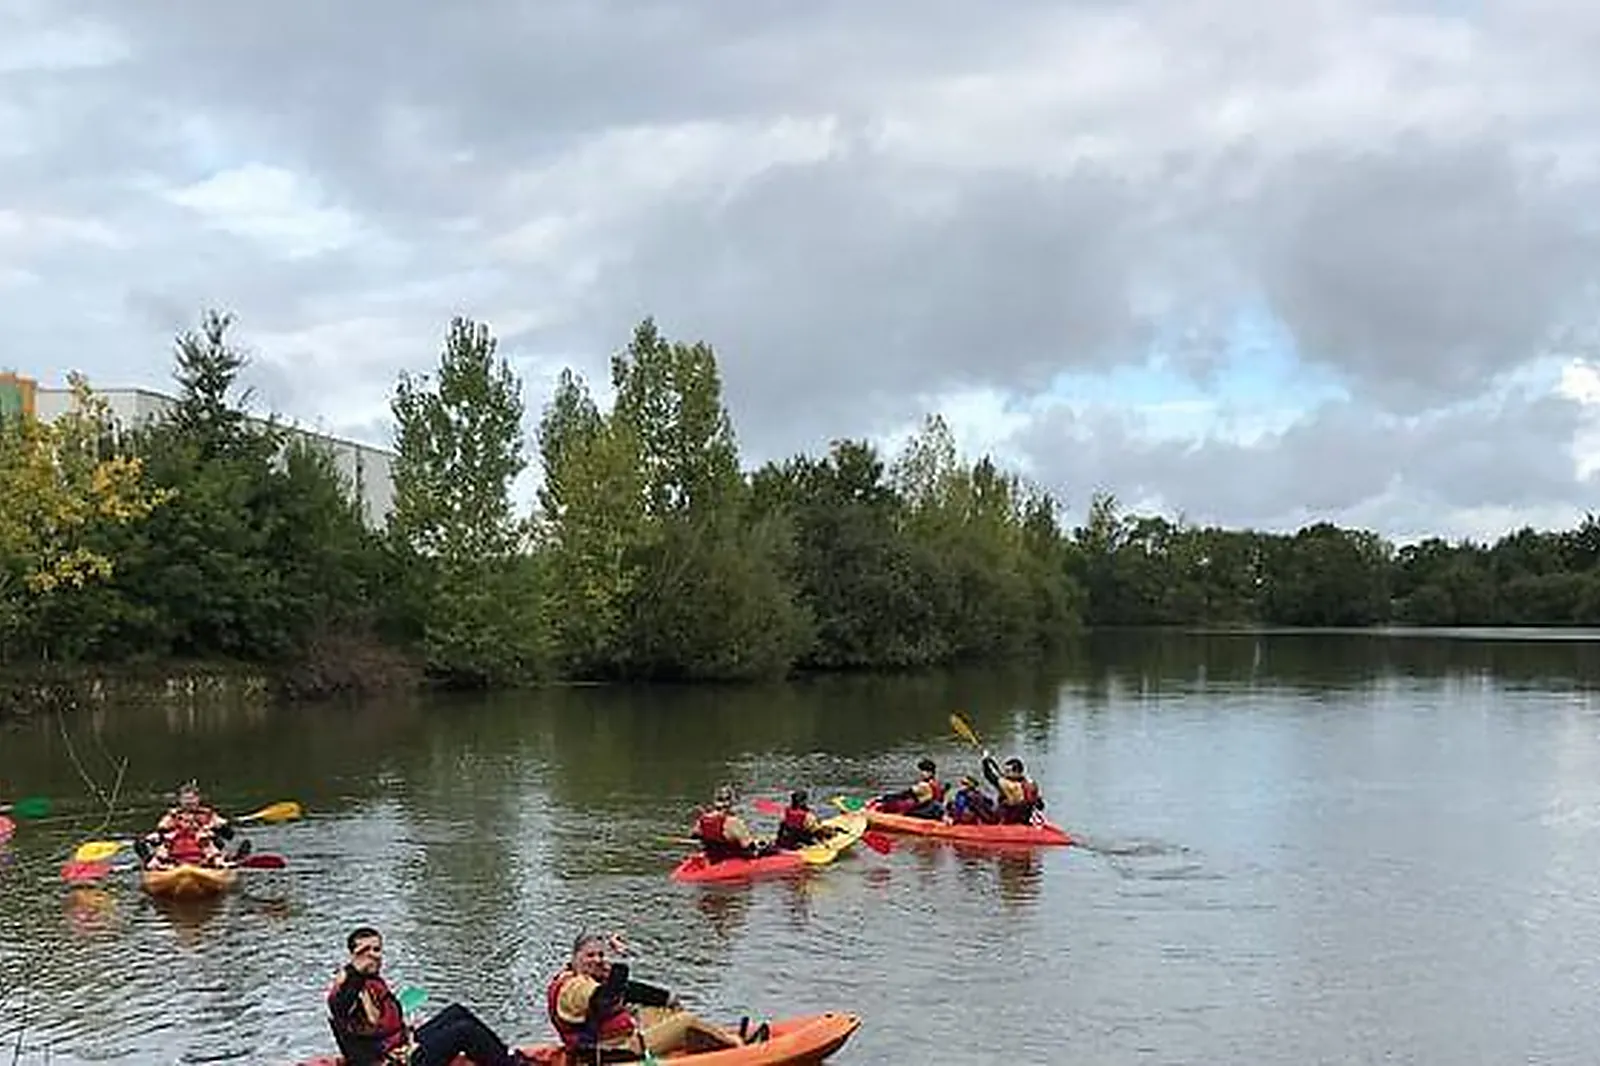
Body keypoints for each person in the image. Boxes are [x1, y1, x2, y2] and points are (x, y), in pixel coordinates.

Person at [327, 925, 533, 1066]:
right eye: (365, 951)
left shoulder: (373, 981)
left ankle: (504, 1055)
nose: (373, 955)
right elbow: (341, 1006)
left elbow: (385, 1020)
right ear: (353, 956)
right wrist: (355, 971)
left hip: (404, 1044)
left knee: (456, 1011)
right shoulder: (347, 985)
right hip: (393, 1061)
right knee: (464, 1031)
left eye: (377, 949)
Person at [546, 930, 766, 1061]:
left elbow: (624, 990)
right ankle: (738, 1046)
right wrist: (619, 965)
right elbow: (608, 998)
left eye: (600, 955)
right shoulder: (573, 986)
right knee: (685, 1021)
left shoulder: (585, 978)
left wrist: (666, 997)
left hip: (616, 1041)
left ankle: (701, 1044)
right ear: (574, 958)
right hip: (613, 1052)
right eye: (589, 955)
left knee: (660, 1009)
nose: (597, 959)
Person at [134, 780, 248, 869]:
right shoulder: (172, 816)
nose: (189, 802)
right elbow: (160, 833)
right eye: (186, 799)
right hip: (174, 856)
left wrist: (221, 827)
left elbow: (229, 835)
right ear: (180, 800)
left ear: (198, 799)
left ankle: (233, 859)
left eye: (192, 798)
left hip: (204, 855)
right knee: (141, 842)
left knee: (216, 839)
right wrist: (152, 838)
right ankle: (149, 863)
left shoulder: (209, 815)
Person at [692, 786, 777, 863]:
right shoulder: (733, 822)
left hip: (713, 856)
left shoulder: (702, 820)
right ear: (732, 802)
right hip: (732, 858)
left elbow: (695, 835)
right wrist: (763, 843)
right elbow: (747, 845)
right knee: (770, 846)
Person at [981, 750, 1045, 824]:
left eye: (1007, 771)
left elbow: (988, 775)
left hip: (1008, 819)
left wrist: (985, 761)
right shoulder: (1030, 783)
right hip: (1024, 818)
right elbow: (1040, 805)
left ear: (1016, 771)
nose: (1005, 773)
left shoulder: (1005, 783)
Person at [874, 758, 946, 819]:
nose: (921, 773)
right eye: (922, 771)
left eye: (924, 771)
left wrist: (884, 798)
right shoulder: (934, 783)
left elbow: (905, 794)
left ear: (931, 773)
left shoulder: (924, 785)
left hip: (927, 809)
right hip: (930, 808)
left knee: (895, 804)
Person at [772, 790, 839, 851]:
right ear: (803, 801)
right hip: (800, 839)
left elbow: (783, 824)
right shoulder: (807, 814)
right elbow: (814, 828)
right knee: (819, 831)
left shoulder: (787, 810)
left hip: (786, 838)